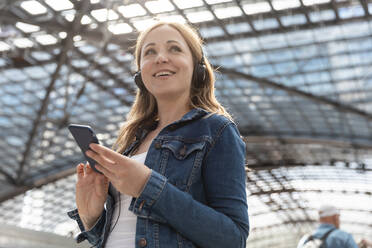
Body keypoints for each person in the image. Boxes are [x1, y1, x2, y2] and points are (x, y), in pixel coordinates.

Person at [68, 21, 249, 248]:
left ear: (197, 67)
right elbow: (124, 231)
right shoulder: (131, 142)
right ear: (140, 73)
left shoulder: (216, 130)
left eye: (174, 48)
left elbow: (234, 239)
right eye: (149, 52)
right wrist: (91, 217)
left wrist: (147, 186)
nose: (160, 58)